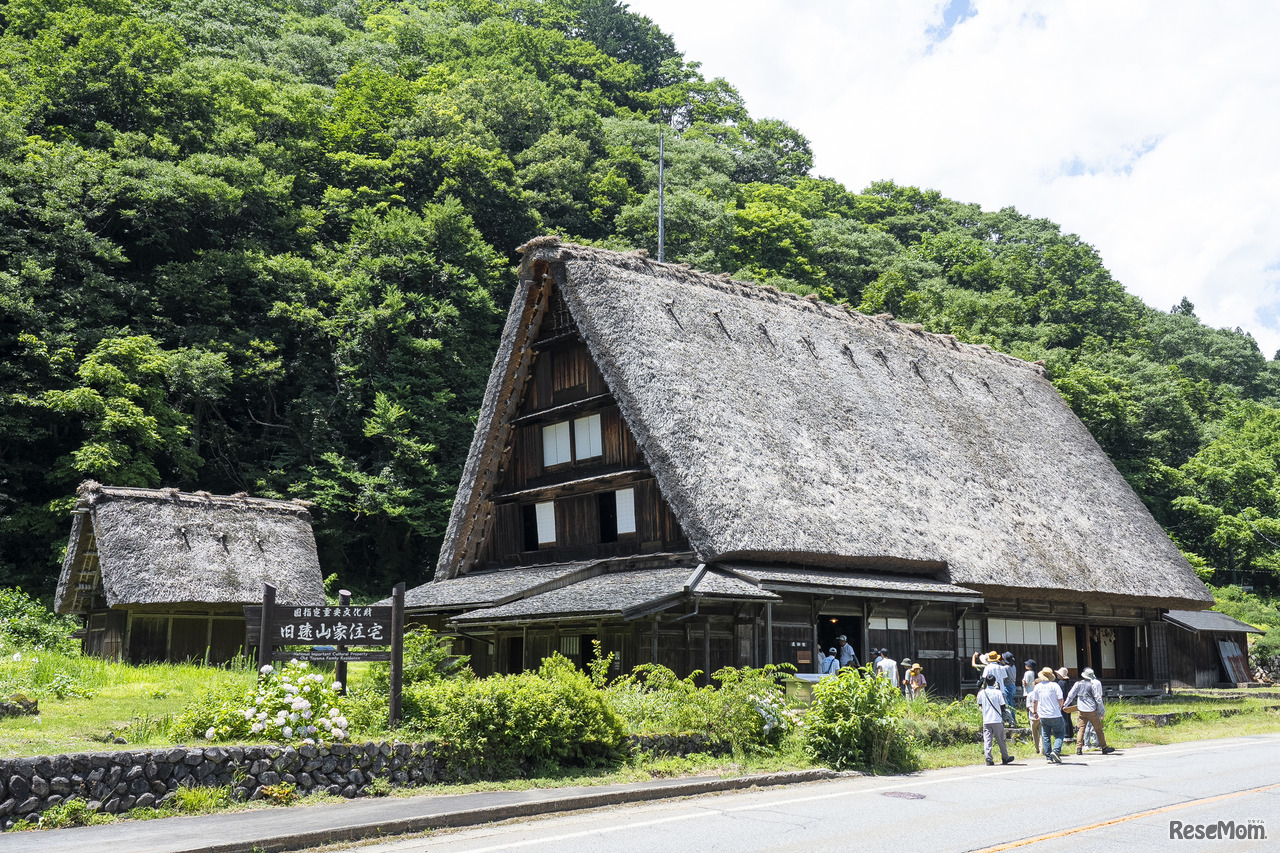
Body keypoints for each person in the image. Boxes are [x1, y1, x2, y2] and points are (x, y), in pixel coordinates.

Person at [1065, 667, 1115, 755]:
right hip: (1091, 710)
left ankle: (1079, 748)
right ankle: (1104, 747)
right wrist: (1102, 710)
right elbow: (1098, 698)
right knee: (1098, 729)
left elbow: (1071, 695)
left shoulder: (1078, 684)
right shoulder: (1093, 685)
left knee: (1081, 729)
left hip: (1081, 709)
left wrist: (1065, 704)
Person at [976, 674, 1016, 766]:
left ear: (986, 682)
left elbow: (980, 704)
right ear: (994, 682)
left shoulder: (982, 693)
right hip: (997, 719)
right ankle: (1005, 757)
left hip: (986, 719)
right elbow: (1003, 706)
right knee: (1001, 740)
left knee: (987, 740)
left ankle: (988, 759)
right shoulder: (998, 692)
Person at [1029, 666, 1066, 763]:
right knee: (1060, 733)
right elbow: (1060, 699)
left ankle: (1048, 756)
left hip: (1043, 715)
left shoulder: (1037, 686)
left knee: (1045, 735)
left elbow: (1035, 701)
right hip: (1055, 713)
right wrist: (1060, 707)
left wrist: (1035, 712)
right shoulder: (1055, 686)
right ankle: (1056, 751)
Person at [1022, 660, 1041, 754]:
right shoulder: (1034, 672)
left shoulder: (1027, 673)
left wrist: (1023, 682)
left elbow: (1025, 683)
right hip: (1034, 693)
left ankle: (1037, 748)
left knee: (1029, 707)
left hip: (1029, 692)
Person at [1055, 667, 1075, 741]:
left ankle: (1066, 735)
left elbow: (1060, 695)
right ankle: (1070, 734)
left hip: (1063, 702)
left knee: (1064, 719)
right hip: (1069, 702)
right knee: (1068, 718)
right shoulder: (1068, 682)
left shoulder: (1060, 683)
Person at [1001, 652, 1019, 727]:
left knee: (1008, 704)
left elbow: (1004, 677)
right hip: (1013, 685)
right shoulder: (1013, 667)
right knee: (1011, 703)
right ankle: (1013, 719)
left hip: (1007, 686)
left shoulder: (1005, 668)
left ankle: (1011, 721)